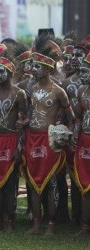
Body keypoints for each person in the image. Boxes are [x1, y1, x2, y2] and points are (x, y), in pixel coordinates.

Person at [18, 50, 74, 235]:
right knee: (33, 183)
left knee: (50, 183)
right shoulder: (33, 90)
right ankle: (35, 224)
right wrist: (24, 122)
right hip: (32, 138)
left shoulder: (59, 91)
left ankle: (51, 225)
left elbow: (71, 116)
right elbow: (31, 114)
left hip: (48, 140)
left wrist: (67, 134)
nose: (33, 69)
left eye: (37, 66)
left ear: (47, 70)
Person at [0, 56, 27, 231]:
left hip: (11, 141)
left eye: (0, 71)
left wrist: (19, 149)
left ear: (10, 73)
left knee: (10, 184)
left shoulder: (20, 94)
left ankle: (10, 221)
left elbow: (22, 124)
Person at [74, 52, 90, 236]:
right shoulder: (81, 91)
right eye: (82, 71)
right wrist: (75, 133)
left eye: (86, 71)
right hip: (85, 139)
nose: (82, 75)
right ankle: (85, 226)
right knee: (85, 182)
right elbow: (78, 117)